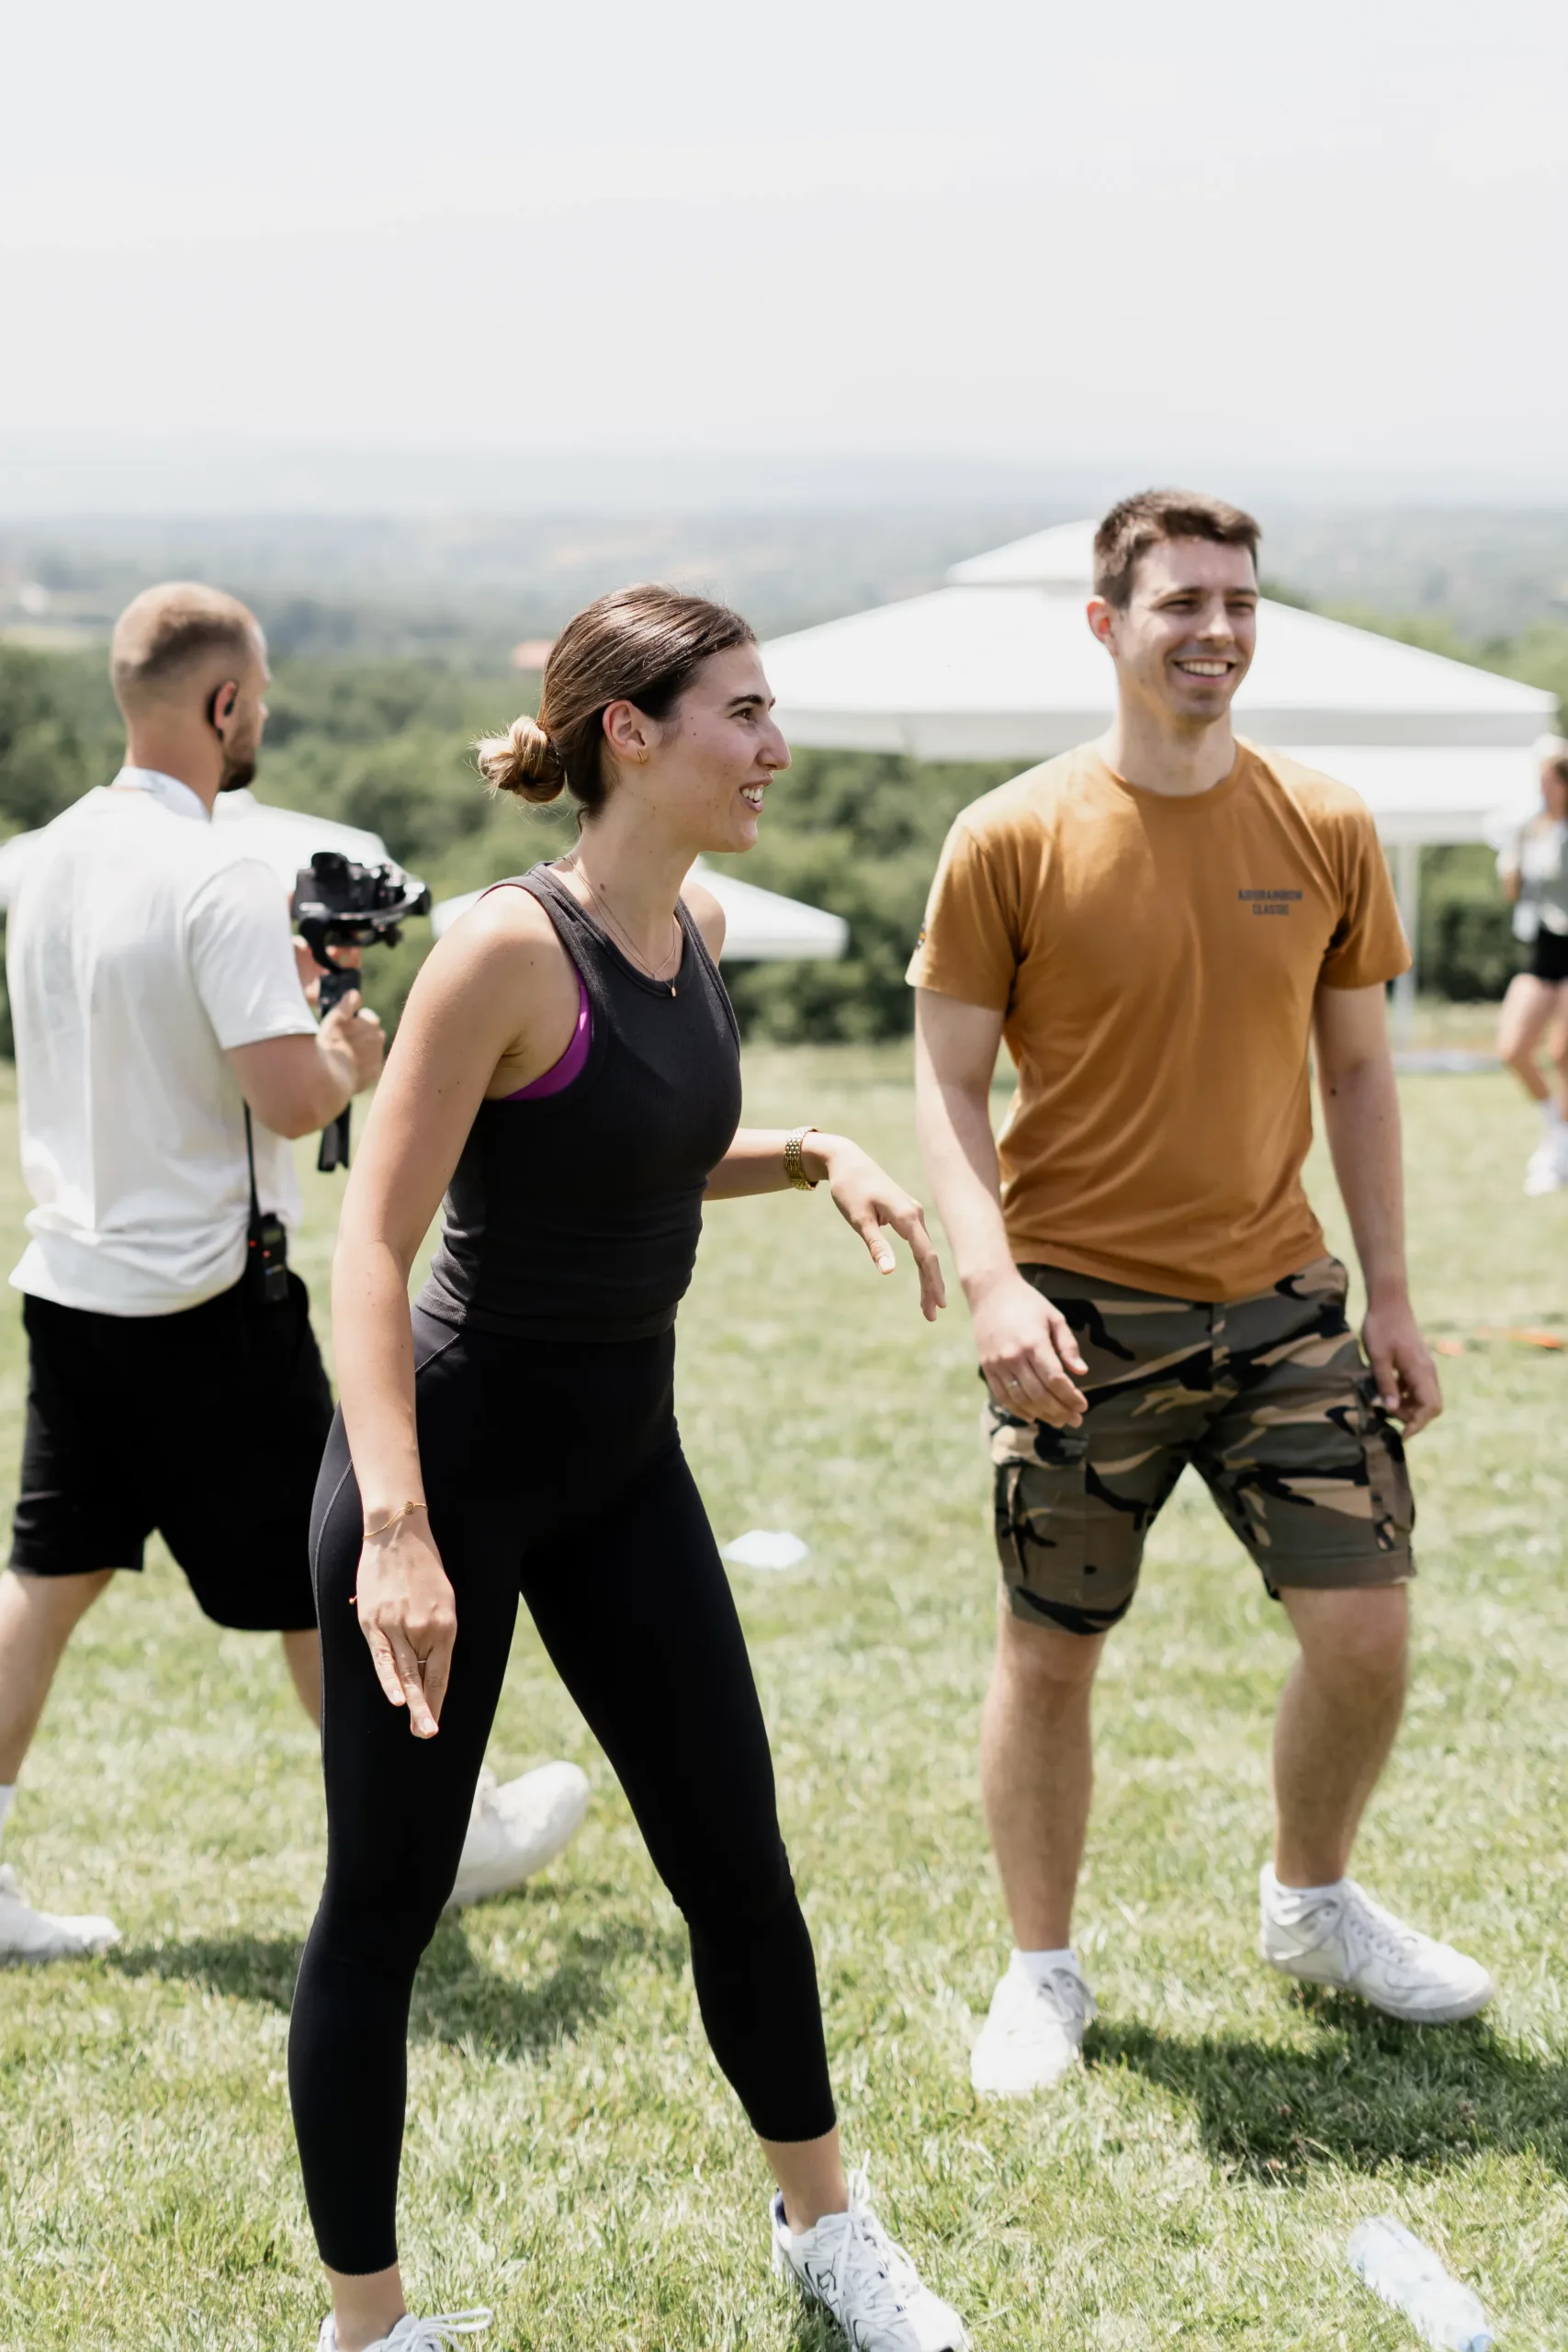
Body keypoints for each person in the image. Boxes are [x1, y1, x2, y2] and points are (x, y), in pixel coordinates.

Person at [288, 586, 969, 2352]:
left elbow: (632, 1143)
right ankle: (369, 2328)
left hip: (620, 1470)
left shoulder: (697, 925)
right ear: (631, 734)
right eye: (743, 712)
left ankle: (824, 2226)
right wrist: (397, 1530)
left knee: (736, 1864)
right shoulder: (506, 952)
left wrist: (807, 1150)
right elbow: (370, 1245)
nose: (775, 746)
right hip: (443, 1477)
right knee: (385, 1907)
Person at [909, 489, 1495, 2101]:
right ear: (1106, 624)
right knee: (1050, 1652)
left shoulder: (1323, 822)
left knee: (1365, 1634)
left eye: (1237, 602)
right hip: (1076, 1322)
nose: (1215, 631)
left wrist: (1390, 1297)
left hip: (1281, 1303)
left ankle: (1310, 1902)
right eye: (1180, 603)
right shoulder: (1009, 835)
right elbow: (946, 1081)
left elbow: (1357, 1070)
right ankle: (1039, 1968)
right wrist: (991, 1285)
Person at [0, 582, 587, 1964]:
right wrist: (348, 1054)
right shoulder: (217, 876)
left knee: (46, 1579)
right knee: (337, 1575)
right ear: (224, 704)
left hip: (71, 1274)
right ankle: (446, 1836)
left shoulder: (40, 857)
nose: (259, 716)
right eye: (255, 697)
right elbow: (289, 1098)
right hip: (210, 1295)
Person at [1495, 736, 1568, 1194]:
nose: (1543, 789)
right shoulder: (1529, 830)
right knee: (1513, 1049)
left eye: (1549, 780)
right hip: (1541, 953)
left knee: (1563, 1053)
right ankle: (1555, 1127)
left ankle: (1558, 1151)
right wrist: (1512, 859)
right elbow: (1513, 893)